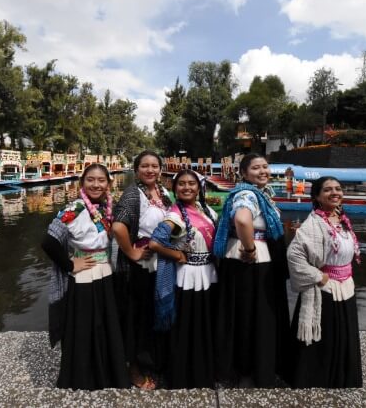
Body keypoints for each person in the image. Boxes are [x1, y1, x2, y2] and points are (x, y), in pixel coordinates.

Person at [41, 163, 129, 390]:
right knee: (83, 327)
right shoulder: (75, 209)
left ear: (109, 184)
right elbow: (48, 242)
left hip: (105, 274)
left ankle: (107, 374)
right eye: (91, 179)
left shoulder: (107, 208)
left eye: (101, 180)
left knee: (104, 325)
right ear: (82, 183)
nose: (96, 184)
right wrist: (70, 264)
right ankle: (82, 378)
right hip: (84, 276)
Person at [212, 153, 290, 388]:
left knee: (250, 316)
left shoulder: (262, 195)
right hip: (251, 263)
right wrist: (250, 248)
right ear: (244, 173)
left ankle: (250, 367)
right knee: (252, 317)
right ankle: (248, 370)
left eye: (265, 166)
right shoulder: (247, 194)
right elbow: (243, 220)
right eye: (256, 168)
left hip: (254, 263)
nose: (263, 171)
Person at [285, 176, 363, 388]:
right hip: (325, 288)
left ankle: (341, 376)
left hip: (345, 285)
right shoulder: (313, 223)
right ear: (317, 197)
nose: (334, 193)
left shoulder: (340, 217)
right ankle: (317, 378)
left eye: (338, 188)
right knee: (324, 337)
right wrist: (317, 276)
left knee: (342, 334)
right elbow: (294, 255)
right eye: (327, 190)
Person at [148, 170, 218, 389]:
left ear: (199, 187)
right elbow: (155, 243)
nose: (187, 188)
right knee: (188, 326)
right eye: (182, 184)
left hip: (208, 273)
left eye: (191, 184)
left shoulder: (205, 210)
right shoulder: (175, 215)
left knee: (203, 324)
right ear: (175, 188)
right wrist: (177, 254)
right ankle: (184, 375)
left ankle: (204, 370)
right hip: (189, 276)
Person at [112, 150, 172, 389]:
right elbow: (118, 227)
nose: (150, 170)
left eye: (154, 166)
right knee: (137, 315)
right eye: (145, 166)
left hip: (163, 263)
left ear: (160, 169)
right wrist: (131, 252)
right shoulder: (132, 194)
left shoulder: (164, 193)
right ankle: (133, 367)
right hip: (141, 266)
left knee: (155, 313)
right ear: (137, 170)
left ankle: (154, 360)